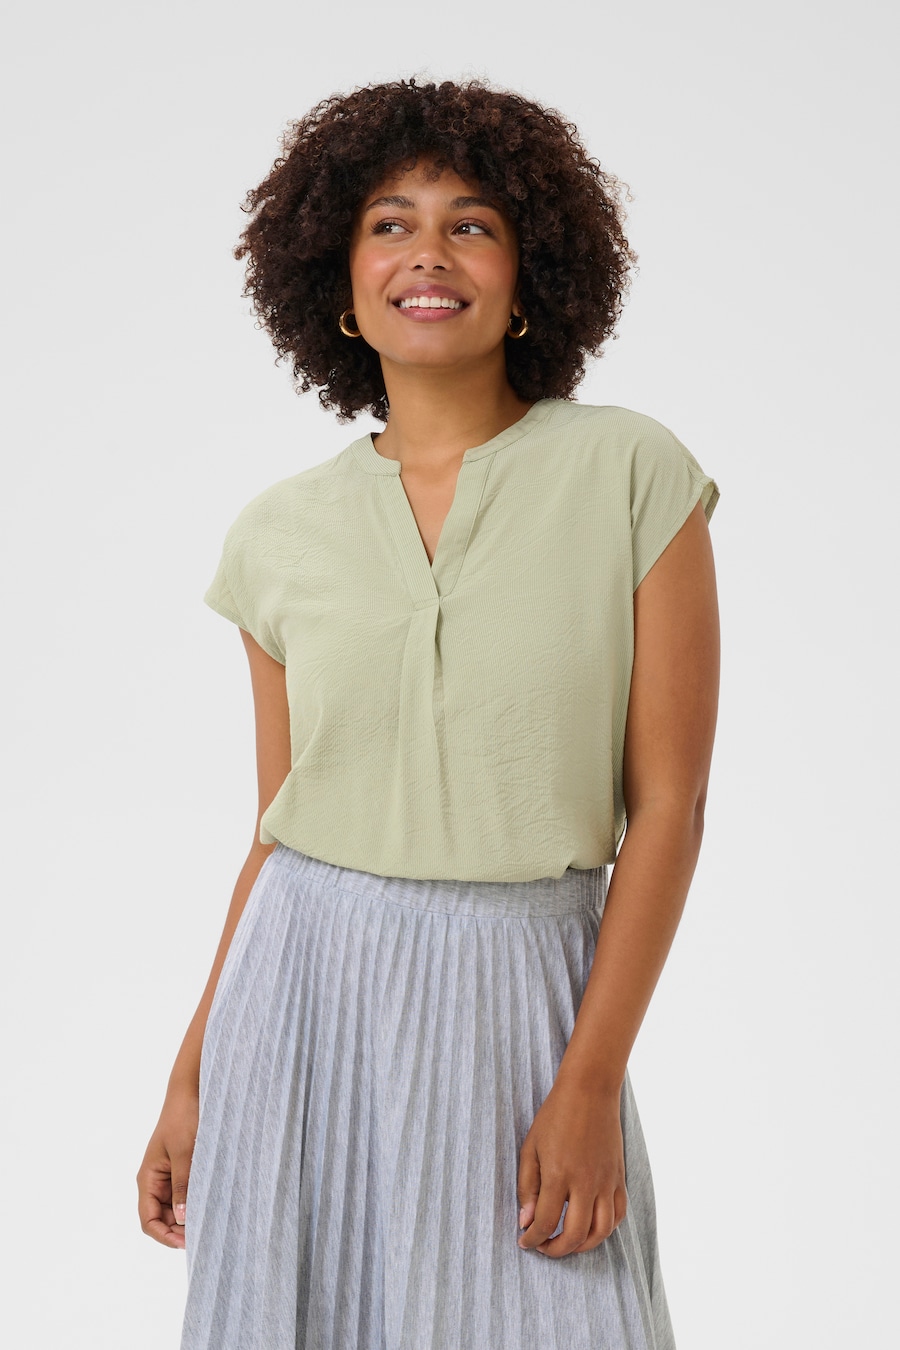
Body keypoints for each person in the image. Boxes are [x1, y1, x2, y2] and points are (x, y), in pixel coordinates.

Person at [136, 77, 720, 1350]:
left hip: (526, 1002)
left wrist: (591, 1080)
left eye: (473, 225)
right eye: (390, 225)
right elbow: (276, 831)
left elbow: (670, 807)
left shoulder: (633, 474)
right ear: (340, 288)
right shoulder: (276, 534)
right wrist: (192, 1072)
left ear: (529, 276)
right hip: (300, 996)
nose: (430, 255)